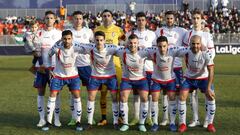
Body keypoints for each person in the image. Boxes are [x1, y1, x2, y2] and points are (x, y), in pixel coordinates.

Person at [75, 31, 119, 130]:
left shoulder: (111, 48)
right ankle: (89, 122)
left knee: (114, 98)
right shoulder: (90, 48)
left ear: (104, 40)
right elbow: (76, 45)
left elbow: (124, 50)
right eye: (97, 40)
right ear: (94, 40)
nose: (99, 42)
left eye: (101, 40)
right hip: (95, 76)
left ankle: (116, 122)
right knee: (91, 98)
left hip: (110, 76)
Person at [41, 30, 83, 131]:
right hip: (58, 76)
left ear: (72, 39)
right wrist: (49, 68)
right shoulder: (57, 48)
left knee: (77, 96)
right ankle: (48, 122)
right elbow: (48, 55)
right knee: (52, 96)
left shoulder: (77, 47)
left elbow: (90, 49)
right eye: (65, 38)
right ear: (62, 39)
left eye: (69, 39)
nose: (67, 41)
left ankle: (78, 122)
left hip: (73, 76)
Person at [183, 9, 215, 128]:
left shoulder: (206, 34)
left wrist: (205, 58)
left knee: (208, 94)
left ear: (201, 19)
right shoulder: (187, 34)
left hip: (205, 71)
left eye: (198, 18)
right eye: (194, 18)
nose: (196, 20)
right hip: (191, 72)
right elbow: (186, 52)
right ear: (191, 19)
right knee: (193, 95)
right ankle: (195, 119)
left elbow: (212, 51)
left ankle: (207, 120)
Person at [147, 36, 188, 132]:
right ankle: (155, 123)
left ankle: (172, 123)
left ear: (167, 45)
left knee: (172, 100)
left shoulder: (173, 51)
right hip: (157, 80)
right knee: (154, 100)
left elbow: (187, 50)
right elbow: (139, 52)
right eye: (160, 46)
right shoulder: (152, 52)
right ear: (156, 46)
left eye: (164, 46)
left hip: (170, 80)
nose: (162, 49)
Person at [178, 35, 216, 133]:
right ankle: (182, 124)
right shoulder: (185, 51)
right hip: (189, 78)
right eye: (193, 43)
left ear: (201, 44)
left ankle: (210, 123)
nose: (195, 46)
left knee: (211, 96)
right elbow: (171, 52)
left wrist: (208, 88)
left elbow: (211, 70)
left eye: (197, 44)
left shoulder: (206, 53)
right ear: (190, 43)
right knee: (182, 97)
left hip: (203, 78)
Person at [155, 10, 187, 126]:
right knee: (164, 93)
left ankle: (177, 119)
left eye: (171, 18)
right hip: (164, 67)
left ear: (175, 19)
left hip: (177, 67)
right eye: (167, 18)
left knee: (177, 94)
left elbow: (192, 38)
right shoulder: (159, 31)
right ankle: (165, 118)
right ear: (164, 19)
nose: (169, 20)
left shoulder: (182, 31)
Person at [94, 9, 125, 126]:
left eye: (108, 15)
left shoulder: (118, 30)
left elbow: (125, 42)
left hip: (116, 65)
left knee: (117, 92)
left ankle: (120, 117)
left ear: (112, 17)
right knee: (103, 92)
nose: (106, 17)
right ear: (101, 17)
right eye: (104, 16)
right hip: (101, 67)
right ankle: (103, 118)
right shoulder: (97, 30)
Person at [126, 12, 156, 126]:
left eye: (143, 20)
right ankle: (136, 117)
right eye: (139, 20)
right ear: (136, 21)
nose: (141, 22)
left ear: (146, 21)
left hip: (149, 68)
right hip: (135, 70)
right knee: (136, 95)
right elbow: (125, 46)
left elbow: (155, 51)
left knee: (148, 95)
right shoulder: (131, 34)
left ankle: (148, 117)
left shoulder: (152, 34)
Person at [33, 10, 62, 127]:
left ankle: (56, 119)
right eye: (47, 18)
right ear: (44, 20)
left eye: (51, 18)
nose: (49, 20)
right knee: (40, 92)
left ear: (54, 20)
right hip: (41, 68)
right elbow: (35, 52)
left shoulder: (60, 34)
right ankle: (41, 119)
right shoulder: (38, 34)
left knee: (56, 93)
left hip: (55, 68)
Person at [117, 34, 150, 132]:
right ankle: (125, 123)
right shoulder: (121, 52)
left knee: (144, 98)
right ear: (127, 43)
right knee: (123, 98)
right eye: (130, 43)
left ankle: (141, 123)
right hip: (127, 79)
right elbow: (109, 49)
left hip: (141, 79)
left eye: (135, 43)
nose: (133, 45)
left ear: (138, 43)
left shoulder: (144, 52)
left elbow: (157, 52)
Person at [67, 10, 94, 126]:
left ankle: (90, 118)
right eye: (76, 18)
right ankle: (74, 118)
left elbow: (94, 47)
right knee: (74, 93)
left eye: (80, 18)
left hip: (87, 66)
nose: (78, 21)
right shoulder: (68, 32)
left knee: (91, 93)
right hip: (73, 67)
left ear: (83, 20)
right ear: (72, 19)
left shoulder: (88, 32)